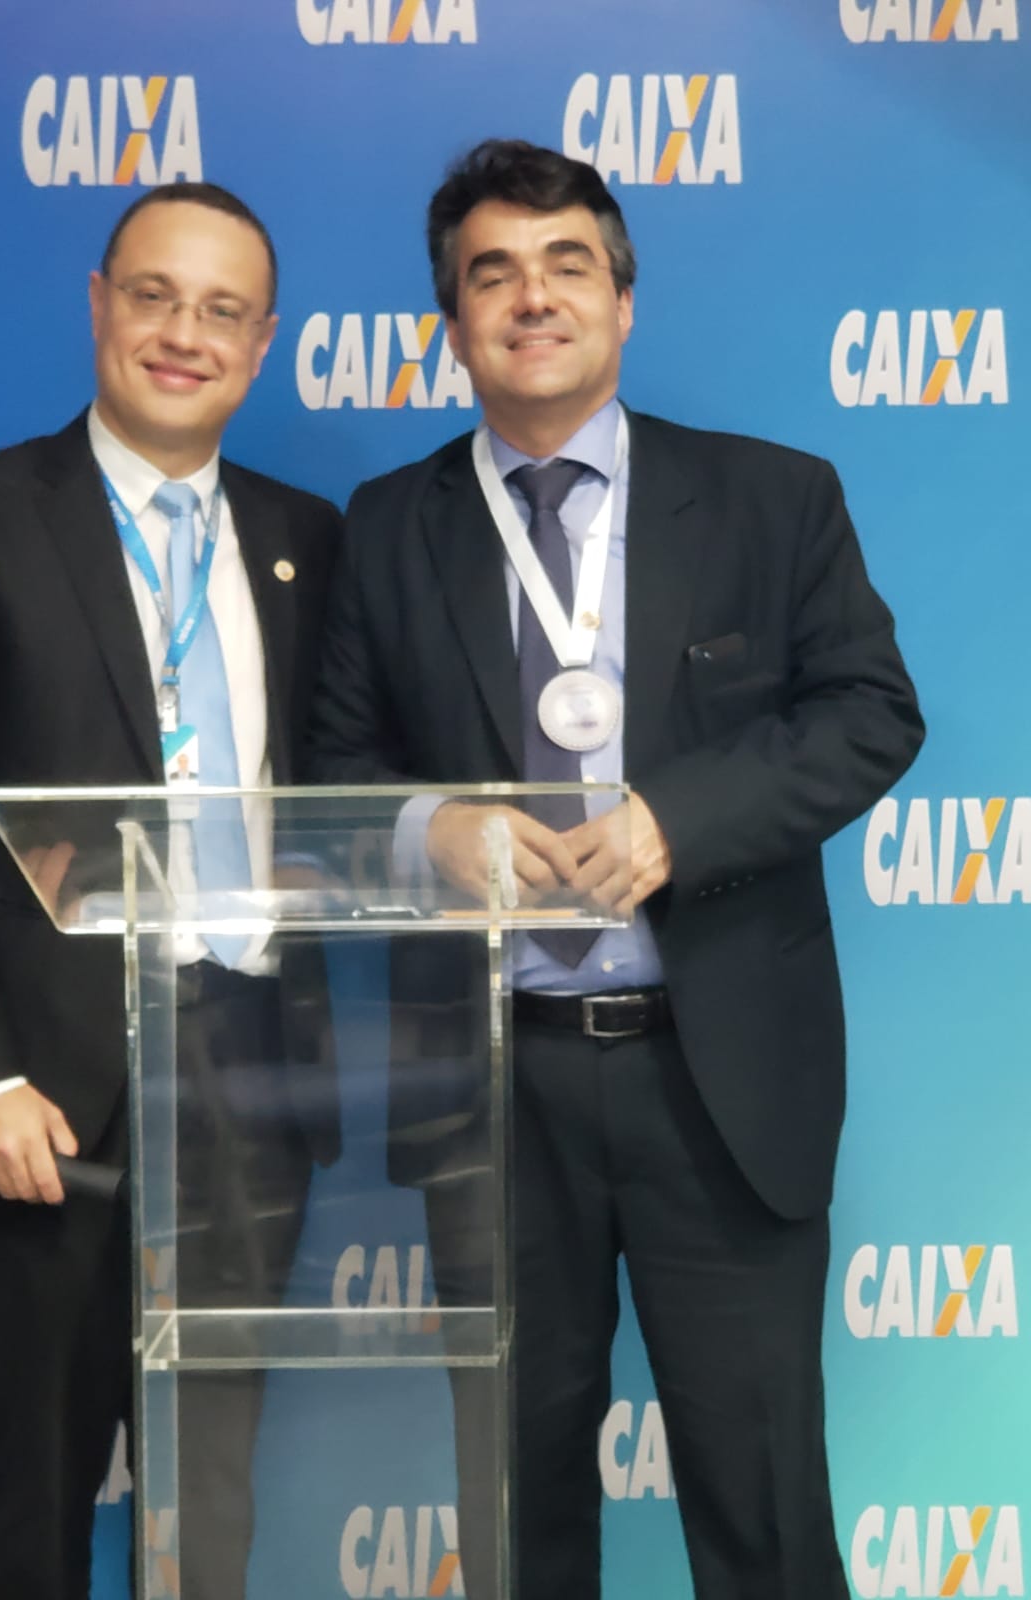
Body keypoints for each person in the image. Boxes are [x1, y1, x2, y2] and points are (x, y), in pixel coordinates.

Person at [307, 139, 924, 1600]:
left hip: (720, 1081)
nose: (533, 298)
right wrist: (431, 828)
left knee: (765, 1511)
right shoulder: (387, 527)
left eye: (567, 264)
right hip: (493, 1085)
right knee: (516, 1510)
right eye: (493, 274)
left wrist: (678, 823)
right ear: (454, 322)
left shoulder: (773, 496)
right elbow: (332, 771)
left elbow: (869, 713)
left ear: (624, 300)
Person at [0, 181, 341, 1600]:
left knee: (215, 1478)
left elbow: (336, 786)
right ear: (101, 304)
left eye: (223, 311)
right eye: (155, 295)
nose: (185, 333)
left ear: (263, 345)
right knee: (45, 1463)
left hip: (250, 1065)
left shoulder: (306, 534)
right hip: (50, 1080)